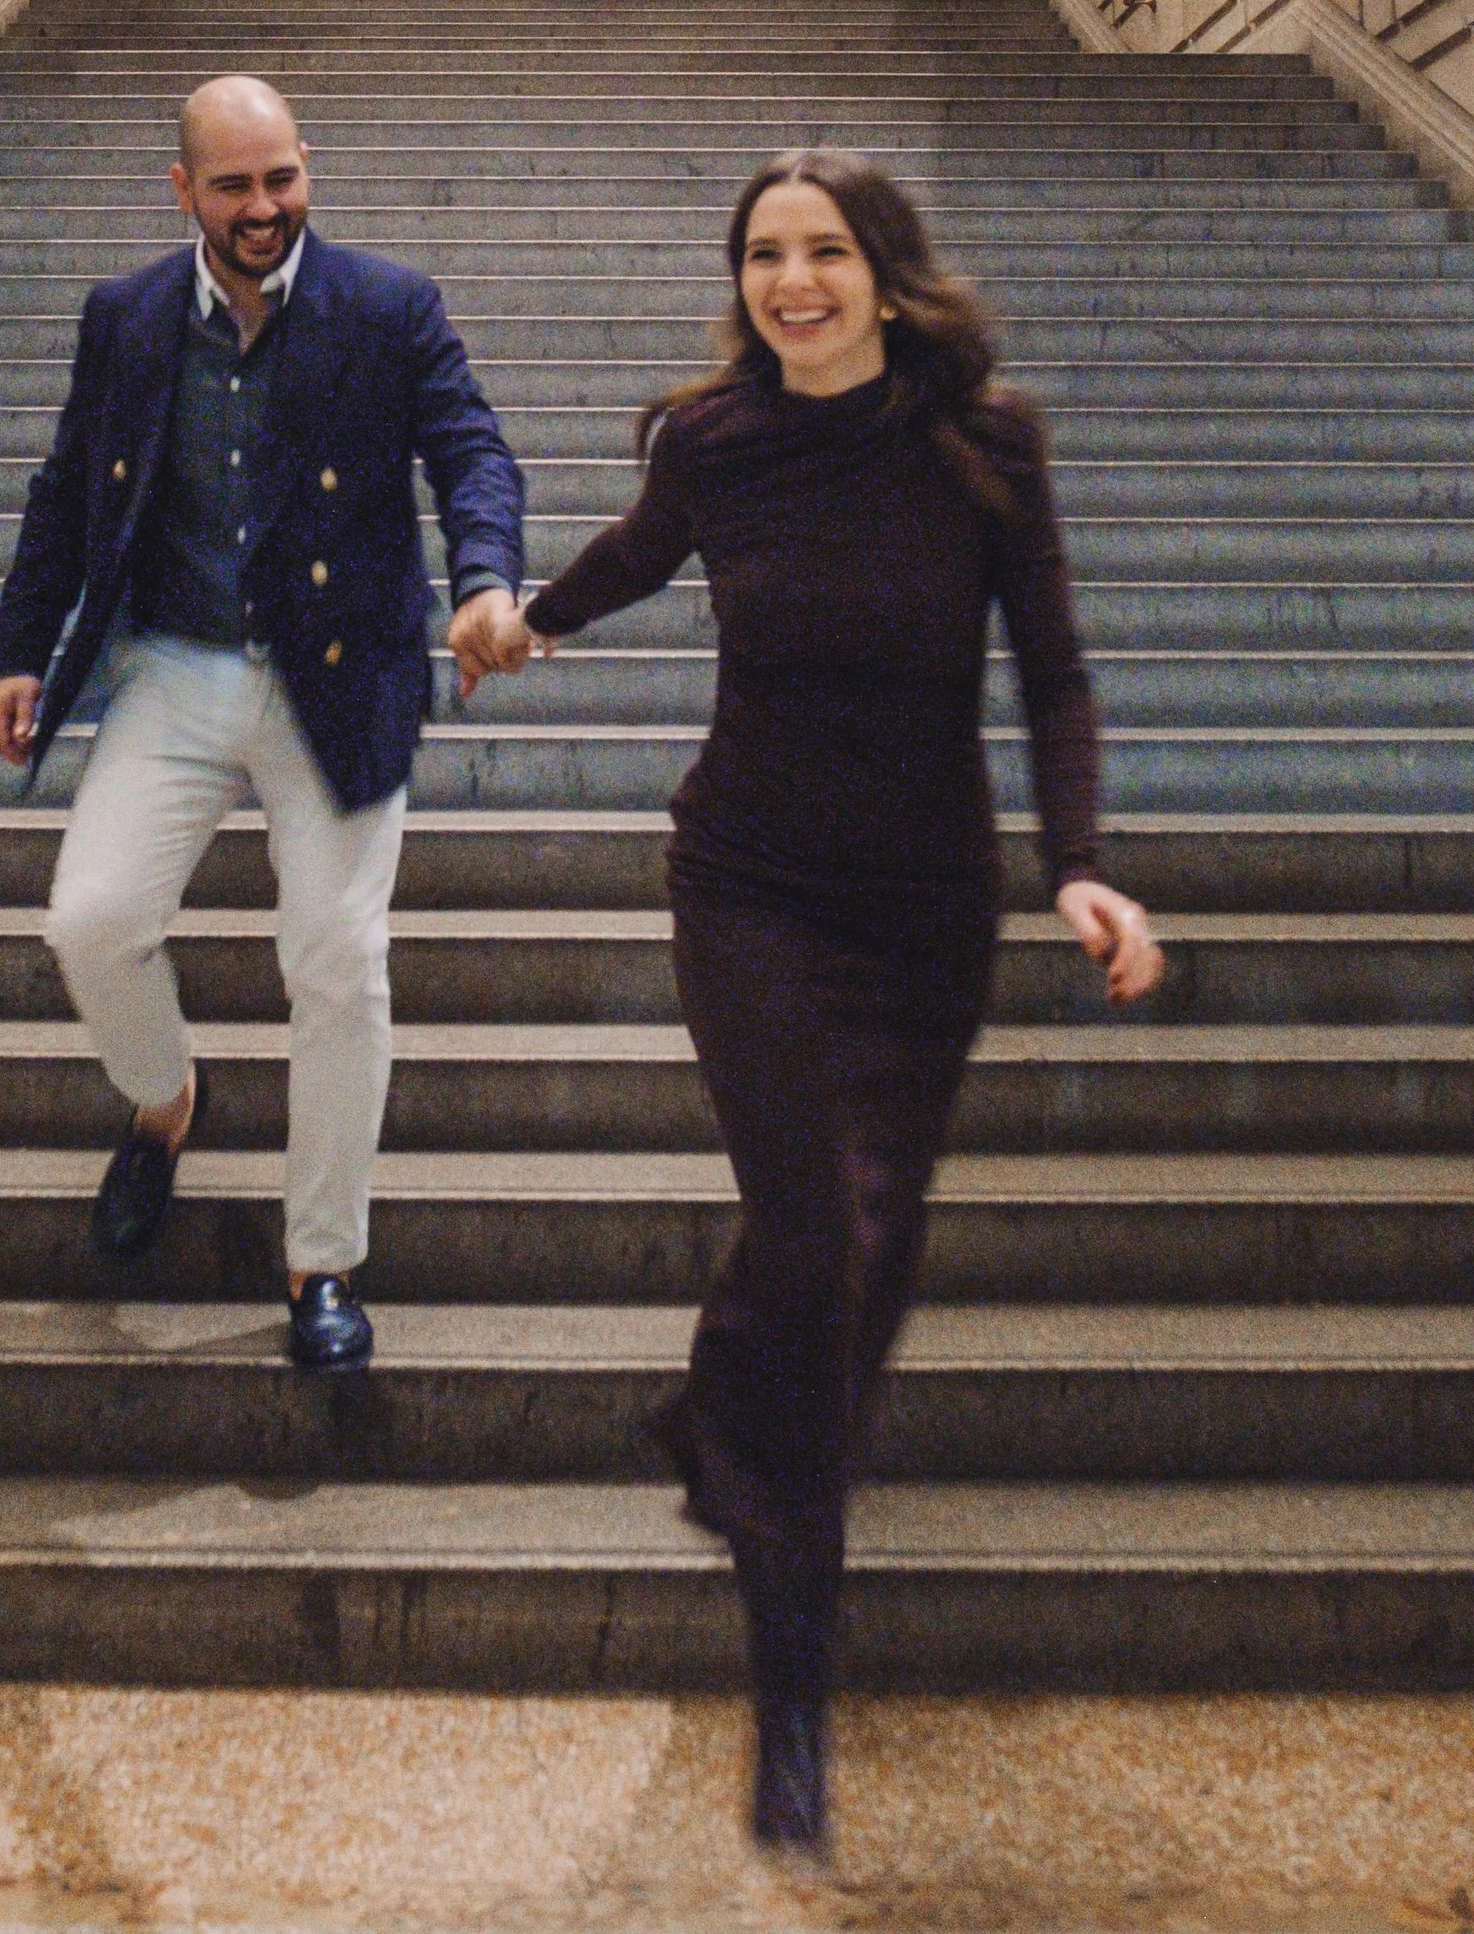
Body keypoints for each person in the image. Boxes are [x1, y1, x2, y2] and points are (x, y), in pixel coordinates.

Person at [489, 150, 1161, 1854]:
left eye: (827, 251)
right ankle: (794, 1699)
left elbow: (1056, 667)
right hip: (752, 890)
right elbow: (637, 555)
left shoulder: (985, 442)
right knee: (817, 1244)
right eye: (767, 255)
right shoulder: (715, 444)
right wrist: (526, 619)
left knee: (861, 1273)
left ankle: (731, 1421)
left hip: (929, 911)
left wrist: (1081, 859)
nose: (795, 281)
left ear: (885, 270)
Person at [0, 73, 526, 1372]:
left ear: (305, 169)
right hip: (176, 665)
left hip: (340, 670)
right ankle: (166, 1099)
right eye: (234, 185)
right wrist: (20, 650)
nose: (264, 206)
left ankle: (322, 1260)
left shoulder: (387, 308)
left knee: (337, 961)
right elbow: (67, 492)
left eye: (281, 177)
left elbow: (471, 448)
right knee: (92, 920)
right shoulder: (124, 319)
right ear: (185, 191)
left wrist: (490, 574)